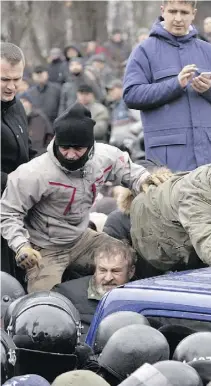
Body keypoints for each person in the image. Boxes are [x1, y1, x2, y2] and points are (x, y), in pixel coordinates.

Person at [1, 103, 151, 292]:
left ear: (90, 146)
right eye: (65, 148)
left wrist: (146, 180)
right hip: (45, 248)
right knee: (42, 301)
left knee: (125, 259)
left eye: (78, 148)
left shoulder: (105, 156)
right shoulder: (33, 173)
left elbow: (131, 172)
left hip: (83, 239)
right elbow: (8, 211)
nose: (71, 155)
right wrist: (21, 246)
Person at [123, 0, 211, 171]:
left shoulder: (209, 51)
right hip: (167, 160)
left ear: (194, 14)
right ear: (163, 11)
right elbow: (131, 95)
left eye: (184, 13)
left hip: (209, 155)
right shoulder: (144, 51)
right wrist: (175, 84)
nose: (178, 18)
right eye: (173, 11)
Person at [1, 42, 37, 279]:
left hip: (17, 208)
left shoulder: (17, 108)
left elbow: (28, 152)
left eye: (17, 79)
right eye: (4, 79)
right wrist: (20, 184)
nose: (12, 86)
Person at [52, 240, 136, 334]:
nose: (108, 278)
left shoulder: (142, 298)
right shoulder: (65, 295)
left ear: (131, 272)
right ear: (95, 270)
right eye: (103, 270)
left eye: (115, 271)